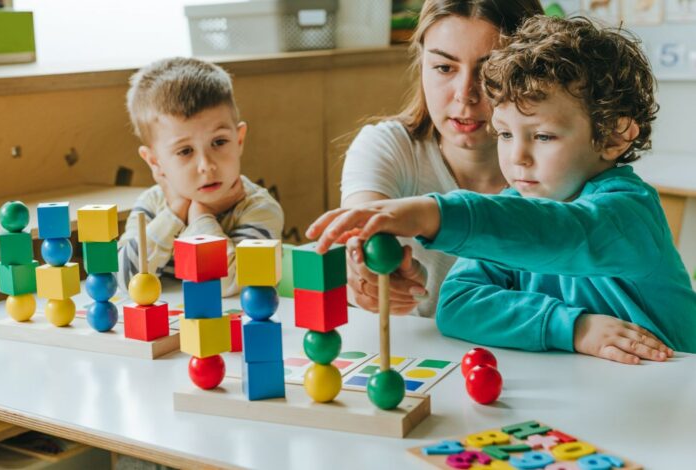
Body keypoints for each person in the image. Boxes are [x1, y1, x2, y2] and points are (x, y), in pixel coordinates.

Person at [308, 16, 696, 363]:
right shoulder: (516, 206)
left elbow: (563, 233)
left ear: (614, 135)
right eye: (506, 134)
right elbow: (457, 304)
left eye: (543, 136)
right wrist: (573, 328)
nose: (517, 157)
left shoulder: (630, 213)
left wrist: (437, 213)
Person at [340, 0, 543, 317]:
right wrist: (363, 267)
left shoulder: (564, 168)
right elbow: (362, 228)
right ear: (421, 64)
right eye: (444, 67)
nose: (465, 93)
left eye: (491, 70)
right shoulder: (390, 146)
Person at [118, 57, 284, 295]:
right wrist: (175, 214)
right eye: (185, 151)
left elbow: (235, 285)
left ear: (238, 140)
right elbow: (125, 280)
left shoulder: (257, 207)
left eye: (219, 142)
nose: (206, 165)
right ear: (155, 161)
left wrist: (200, 216)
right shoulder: (152, 205)